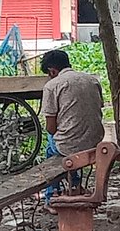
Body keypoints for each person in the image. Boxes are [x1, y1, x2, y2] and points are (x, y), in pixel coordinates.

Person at [39, 48, 105, 203]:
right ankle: (75, 185)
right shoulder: (92, 80)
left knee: (51, 147)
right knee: (73, 136)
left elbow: (50, 127)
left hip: (69, 146)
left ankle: (51, 196)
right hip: (95, 141)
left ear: (52, 71)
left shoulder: (52, 85)